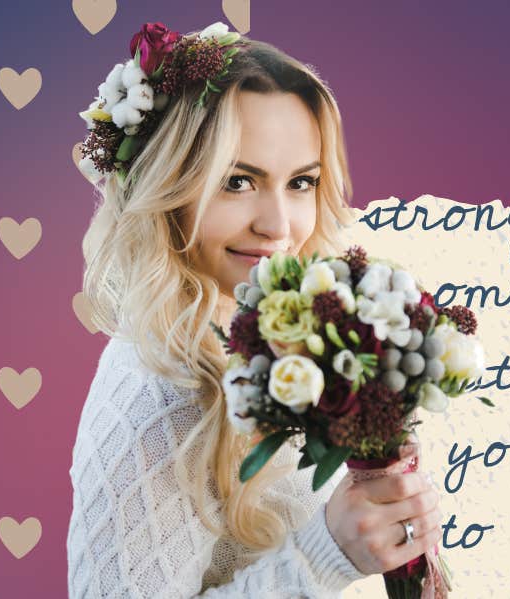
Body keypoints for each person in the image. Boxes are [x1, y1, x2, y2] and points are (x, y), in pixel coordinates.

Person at [68, 21, 443, 598]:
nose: (278, 226)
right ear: (169, 187)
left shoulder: (269, 345)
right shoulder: (160, 393)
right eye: (238, 181)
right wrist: (326, 555)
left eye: (300, 183)